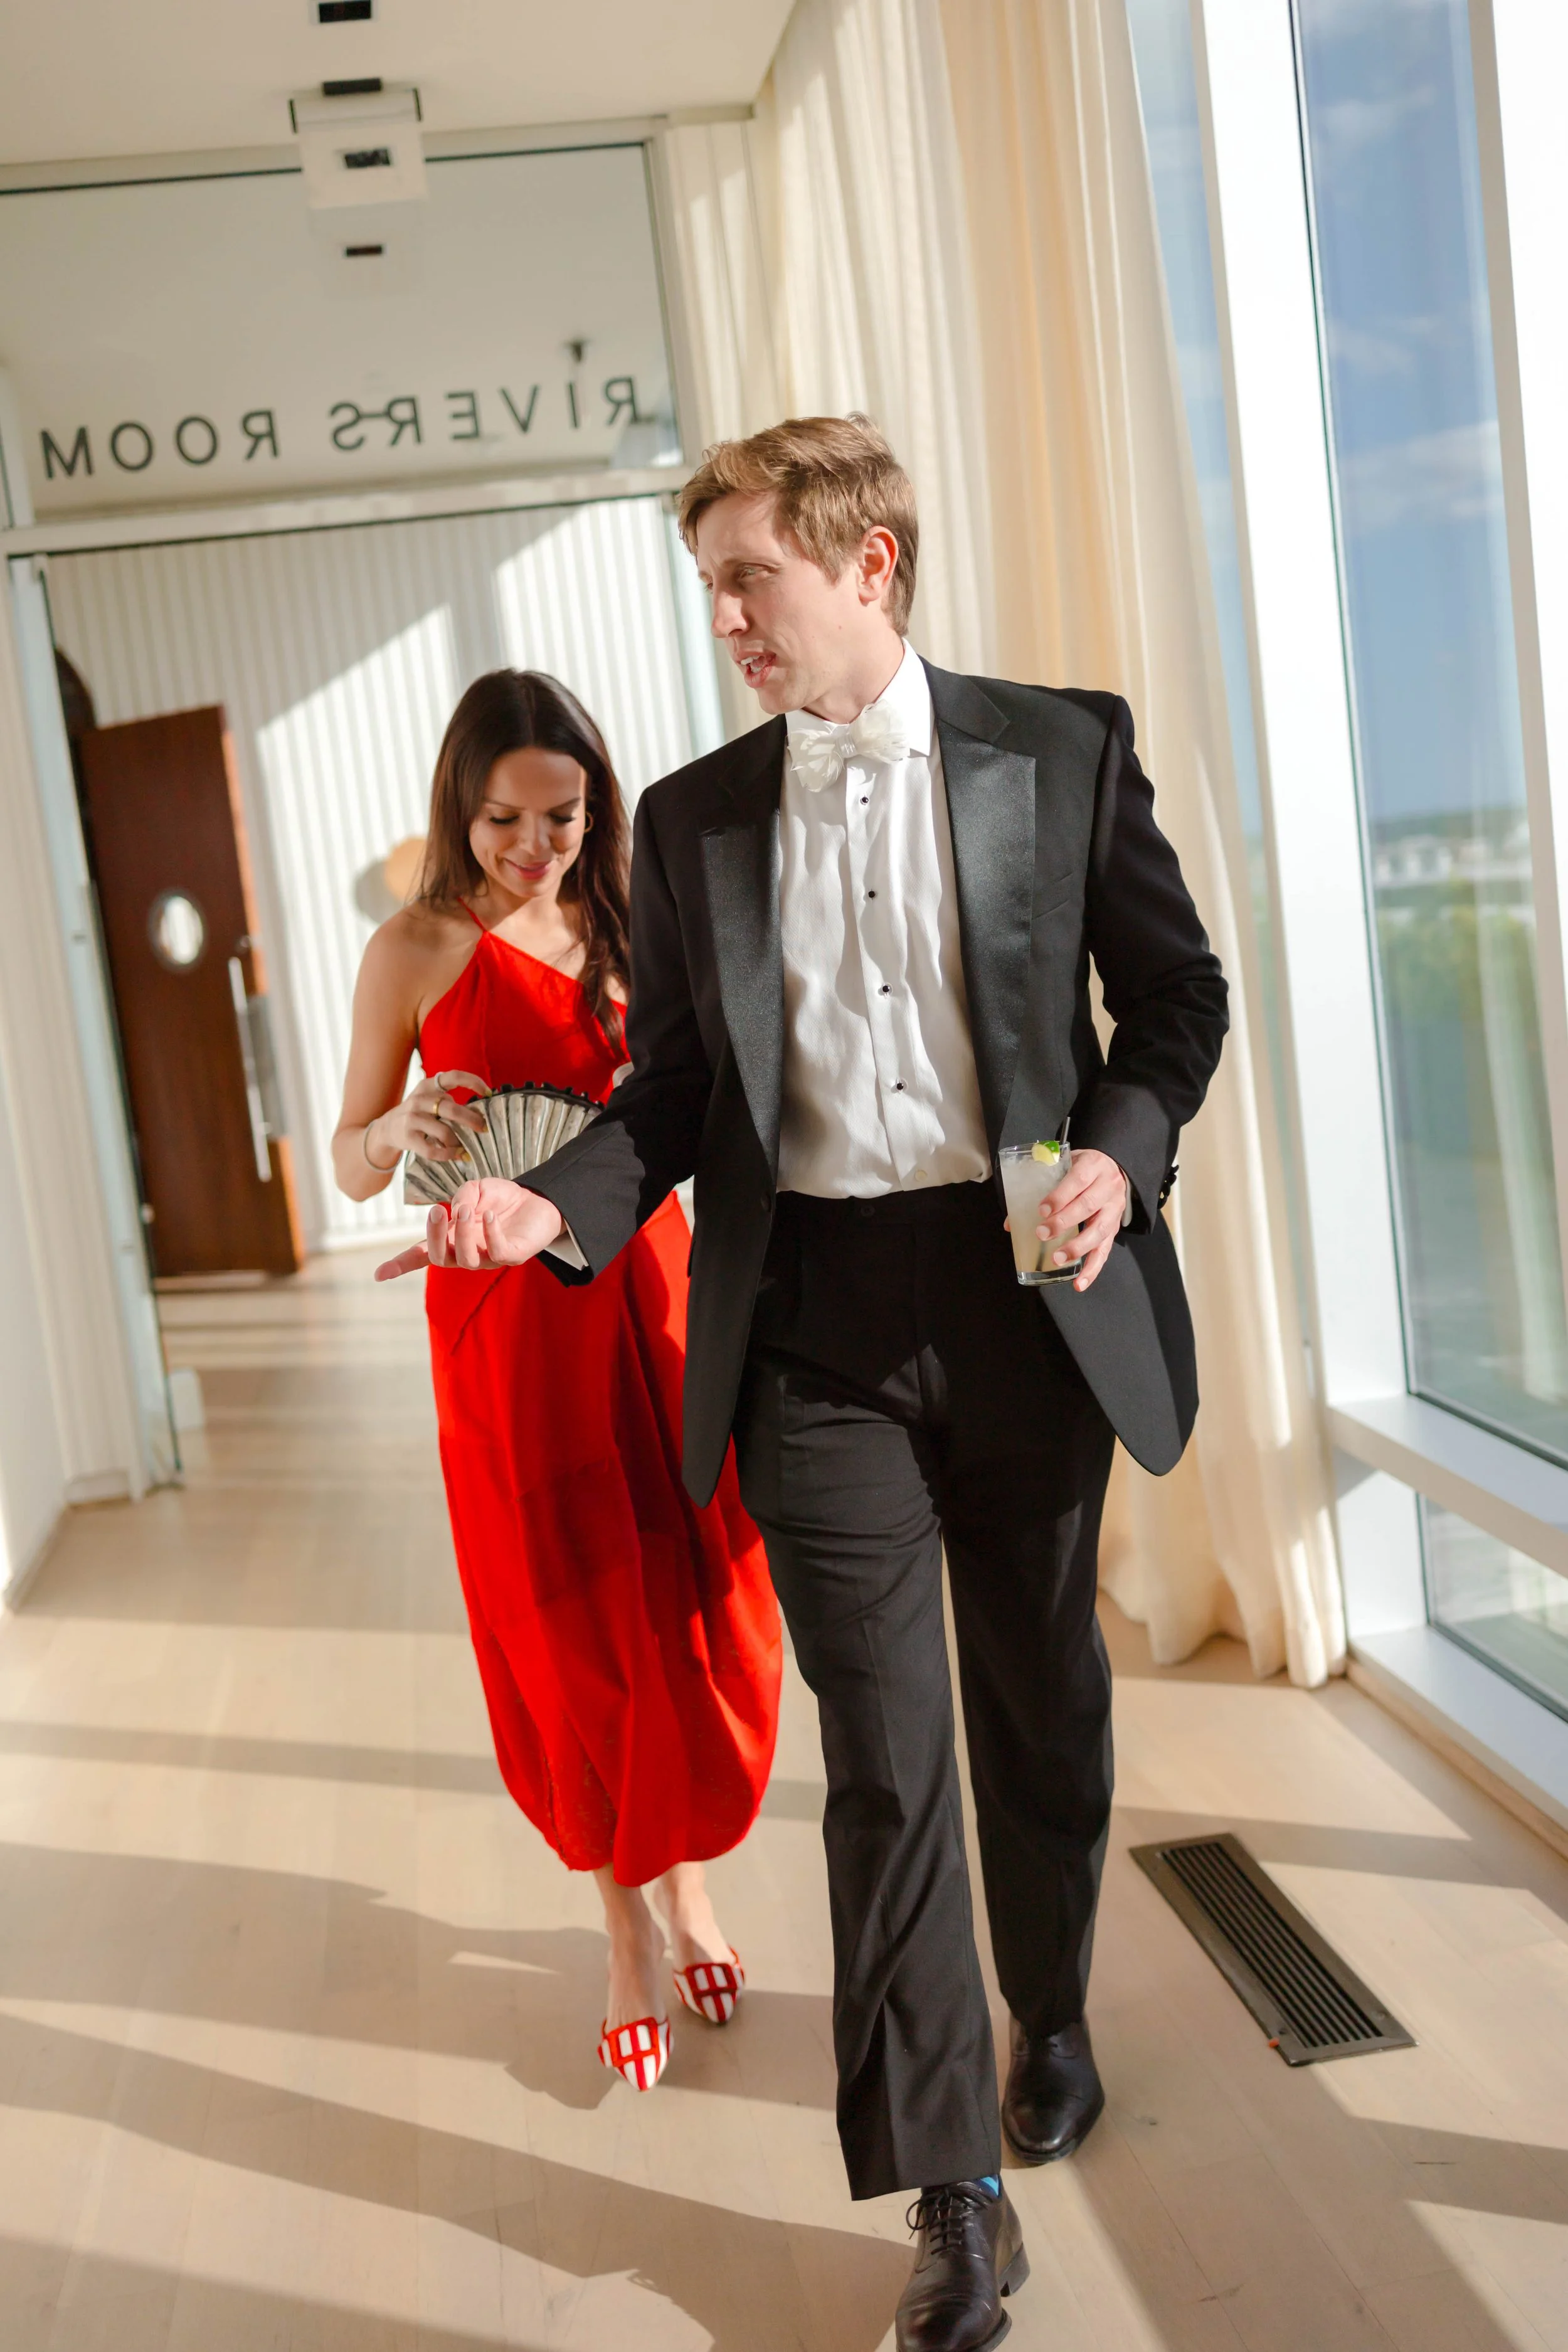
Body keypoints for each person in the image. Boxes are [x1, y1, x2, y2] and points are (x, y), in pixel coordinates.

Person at [379, 420, 1228, 2352]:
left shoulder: (1057, 744)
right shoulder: (691, 818)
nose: (727, 620)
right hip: (813, 1324)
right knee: (885, 1758)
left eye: (751, 578)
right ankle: (952, 2195)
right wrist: (544, 1201)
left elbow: (1172, 1001)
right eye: (711, 590)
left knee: (1039, 1702)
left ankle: (1060, 1999)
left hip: (1029, 1289)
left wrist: (1122, 1145)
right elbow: (672, 1098)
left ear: (869, 567)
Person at [335, 669, 781, 2094]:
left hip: (648, 1289)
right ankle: (625, 1928)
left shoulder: (632, 920)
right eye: (503, 821)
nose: (534, 849)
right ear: (457, 811)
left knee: (695, 1595)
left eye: (564, 816)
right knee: (566, 1621)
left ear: (598, 799)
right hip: (499, 1331)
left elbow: (705, 1103)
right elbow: (349, 1159)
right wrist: (392, 1126)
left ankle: (688, 1875)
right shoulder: (411, 949)